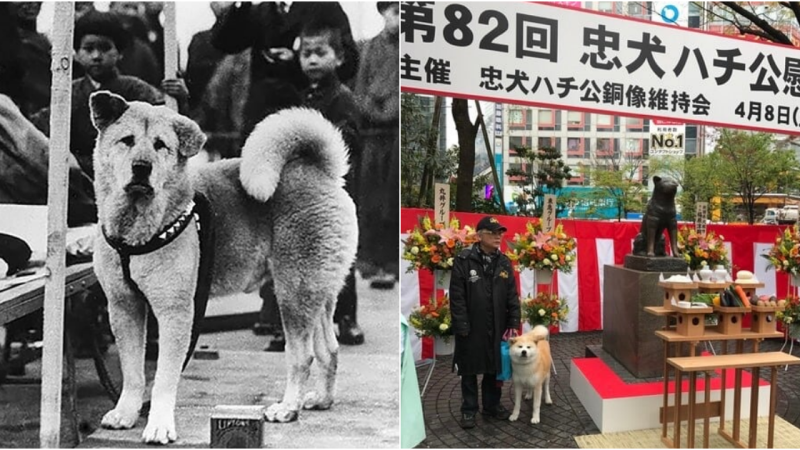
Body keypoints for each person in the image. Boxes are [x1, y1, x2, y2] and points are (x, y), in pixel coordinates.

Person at [31, 10, 188, 179]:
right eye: (88, 49)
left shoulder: (135, 89)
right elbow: (38, 127)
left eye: (105, 48)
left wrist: (180, 98)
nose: (97, 56)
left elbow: (169, 121)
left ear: (119, 53)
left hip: (127, 176)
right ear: (76, 53)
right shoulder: (69, 92)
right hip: (78, 178)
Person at [449, 216, 520, 429]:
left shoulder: (504, 261)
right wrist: (461, 324)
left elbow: (512, 295)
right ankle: (469, 410)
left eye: (500, 232)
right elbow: (457, 296)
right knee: (469, 369)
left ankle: (492, 405)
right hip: (471, 325)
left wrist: (513, 322)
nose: (498, 236)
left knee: (493, 367)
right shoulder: (464, 259)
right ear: (480, 236)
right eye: (493, 232)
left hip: (497, 324)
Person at [355, 2, 399, 289]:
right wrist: (373, 110)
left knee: (394, 196)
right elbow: (360, 89)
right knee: (370, 194)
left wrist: (394, 110)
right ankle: (369, 259)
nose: (400, 18)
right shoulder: (369, 48)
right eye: (395, 11)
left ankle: (393, 260)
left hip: (399, 131)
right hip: (372, 131)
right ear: (383, 13)